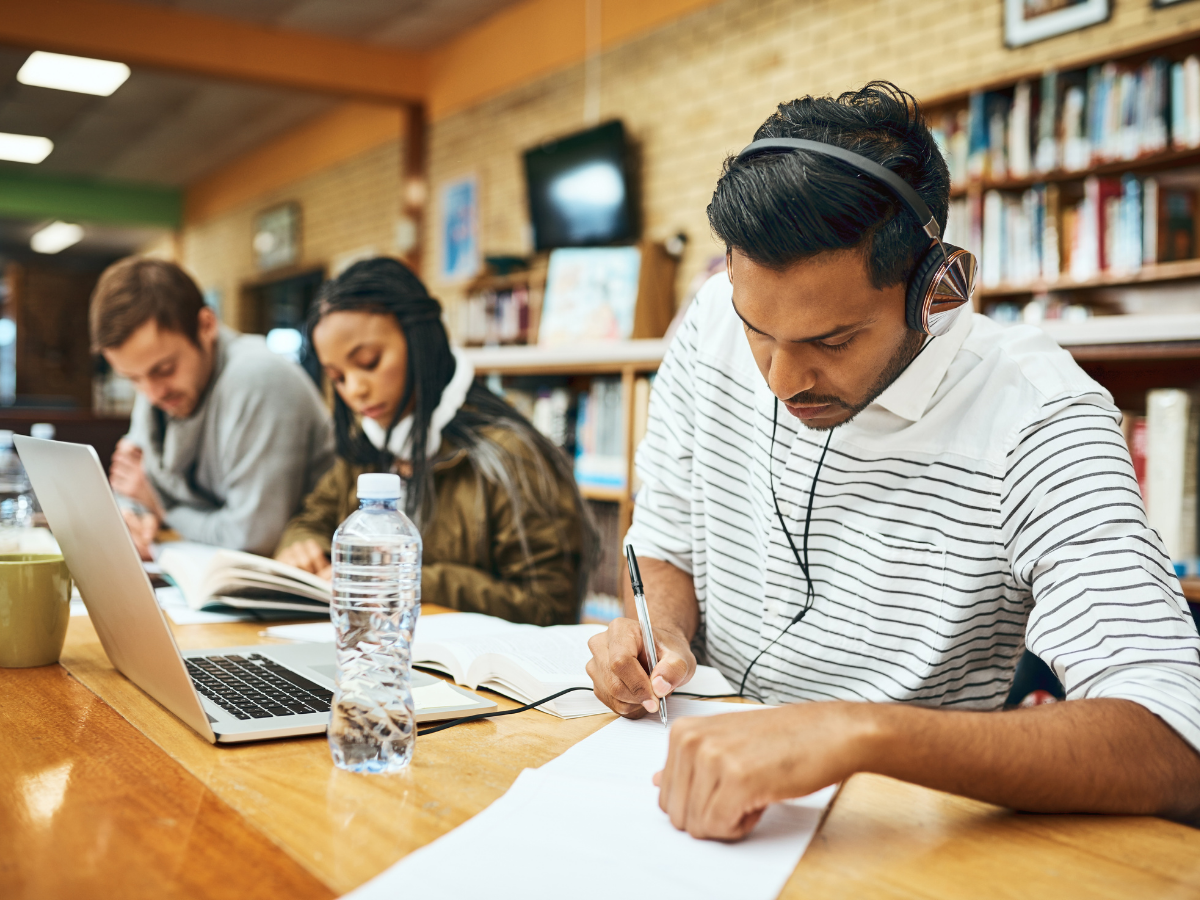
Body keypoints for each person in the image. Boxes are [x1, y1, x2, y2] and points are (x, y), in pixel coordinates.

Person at [585, 82, 1200, 839]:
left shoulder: (1038, 416)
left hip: (906, 834)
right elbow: (665, 546)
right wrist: (662, 634)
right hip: (694, 783)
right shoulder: (710, 319)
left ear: (931, 290)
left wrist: (859, 735)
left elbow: (1176, 743)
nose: (781, 382)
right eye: (759, 332)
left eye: (832, 341)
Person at [275, 258, 594, 626]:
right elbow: (312, 519)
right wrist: (300, 548)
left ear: (419, 341)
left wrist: (406, 578)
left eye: (369, 361)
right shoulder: (367, 448)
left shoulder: (508, 454)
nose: (355, 390)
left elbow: (549, 607)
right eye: (338, 377)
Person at [92, 257, 335, 558]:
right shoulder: (159, 388)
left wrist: (162, 508)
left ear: (206, 325)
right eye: (133, 379)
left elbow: (252, 536)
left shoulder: (257, 378)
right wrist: (135, 518)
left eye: (165, 369)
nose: (151, 394)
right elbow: (131, 486)